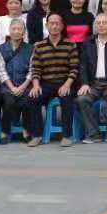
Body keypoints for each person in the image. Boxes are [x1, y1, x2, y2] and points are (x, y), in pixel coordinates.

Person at [30, 12, 80, 146]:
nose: (54, 26)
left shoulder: (70, 45)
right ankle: (37, 135)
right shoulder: (39, 46)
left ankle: (66, 135)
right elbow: (36, 69)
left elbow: (74, 68)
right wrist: (36, 85)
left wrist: (67, 84)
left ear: (62, 26)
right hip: (47, 83)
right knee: (32, 98)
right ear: (47, 25)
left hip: (66, 82)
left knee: (67, 99)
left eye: (57, 23)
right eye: (51, 23)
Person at [76, 11, 107, 144]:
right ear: (95, 26)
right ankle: (94, 134)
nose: (101, 25)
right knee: (82, 99)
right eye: (98, 23)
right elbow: (83, 65)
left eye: (104, 22)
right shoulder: (88, 42)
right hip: (93, 83)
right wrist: (85, 83)